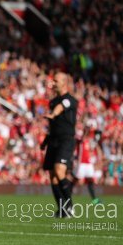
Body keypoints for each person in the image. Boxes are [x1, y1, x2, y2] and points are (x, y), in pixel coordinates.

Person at [41, 72, 78, 218]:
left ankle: (70, 206)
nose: (53, 83)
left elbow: (62, 107)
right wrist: (45, 141)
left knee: (59, 170)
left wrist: (53, 114)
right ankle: (62, 209)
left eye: (56, 80)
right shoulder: (52, 101)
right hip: (54, 140)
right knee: (53, 176)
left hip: (66, 140)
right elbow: (53, 126)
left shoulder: (70, 100)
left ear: (64, 82)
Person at [71, 130, 101, 205]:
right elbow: (82, 139)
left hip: (88, 164)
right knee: (75, 180)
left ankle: (94, 200)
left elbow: (92, 148)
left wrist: (96, 140)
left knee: (90, 181)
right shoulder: (80, 141)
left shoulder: (88, 141)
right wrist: (86, 130)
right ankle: (66, 196)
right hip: (81, 163)